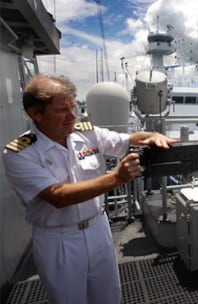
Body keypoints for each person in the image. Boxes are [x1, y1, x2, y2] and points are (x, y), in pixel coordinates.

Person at [2, 74, 178, 304]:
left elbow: (128, 140)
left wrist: (152, 135)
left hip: (98, 229)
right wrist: (116, 178)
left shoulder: (86, 133)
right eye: (62, 110)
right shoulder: (20, 153)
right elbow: (57, 196)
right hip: (59, 241)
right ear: (36, 113)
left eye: (73, 106)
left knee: (109, 296)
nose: (73, 116)